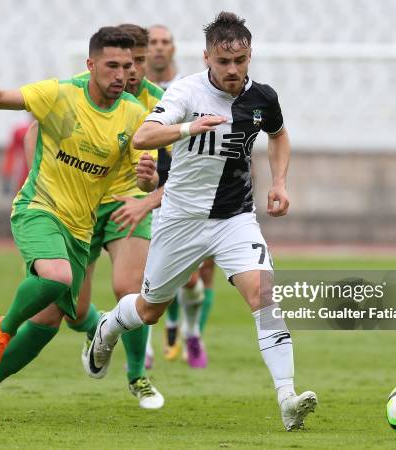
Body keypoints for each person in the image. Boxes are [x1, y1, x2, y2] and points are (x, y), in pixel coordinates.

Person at [87, 12, 318, 431]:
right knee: (149, 310)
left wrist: (279, 182)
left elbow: (279, 135)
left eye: (241, 61)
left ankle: (287, 397)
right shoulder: (186, 92)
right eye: (224, 62)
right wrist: (190, 126)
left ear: (250, 57)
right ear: (207, 56)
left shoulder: (263, 98)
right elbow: (143, 136)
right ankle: (108, 326)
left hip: (235, 218)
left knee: (264, 298)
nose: (233, 70)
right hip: (180, 220)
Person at [0, 26, 158, 420]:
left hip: (80, 231)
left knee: (52, 319)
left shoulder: (135, 114)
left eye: (127, 66)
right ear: (91, 65)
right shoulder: (61, 94)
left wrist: (148, 179)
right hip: (38, 209)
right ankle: (3, 328)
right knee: (57, 277)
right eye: (111, 65)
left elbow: (143, 176)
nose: (121, 75)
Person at [22, 23, 167, 410]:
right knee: (76, 311)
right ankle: (100, 330)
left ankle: (138, 375)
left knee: (129, 289)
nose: (132, 70)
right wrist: (41, 193)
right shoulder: (80, 92)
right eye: (126, 62)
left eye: (139, 62)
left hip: (129, 202)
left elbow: (170, 166)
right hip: (79, 207)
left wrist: (149, 191)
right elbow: (33, 135)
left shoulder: (159, 103)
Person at [145, 25, 216, 367]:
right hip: (140, 189)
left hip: (185, 192)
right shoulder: (133, 89)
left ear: (173, 48)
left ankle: (190, 332)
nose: (159, 48)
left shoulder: (189, 89)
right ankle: (144, 351)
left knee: (191, 278)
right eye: (152, 43)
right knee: (142, 273)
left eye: (164, 42)